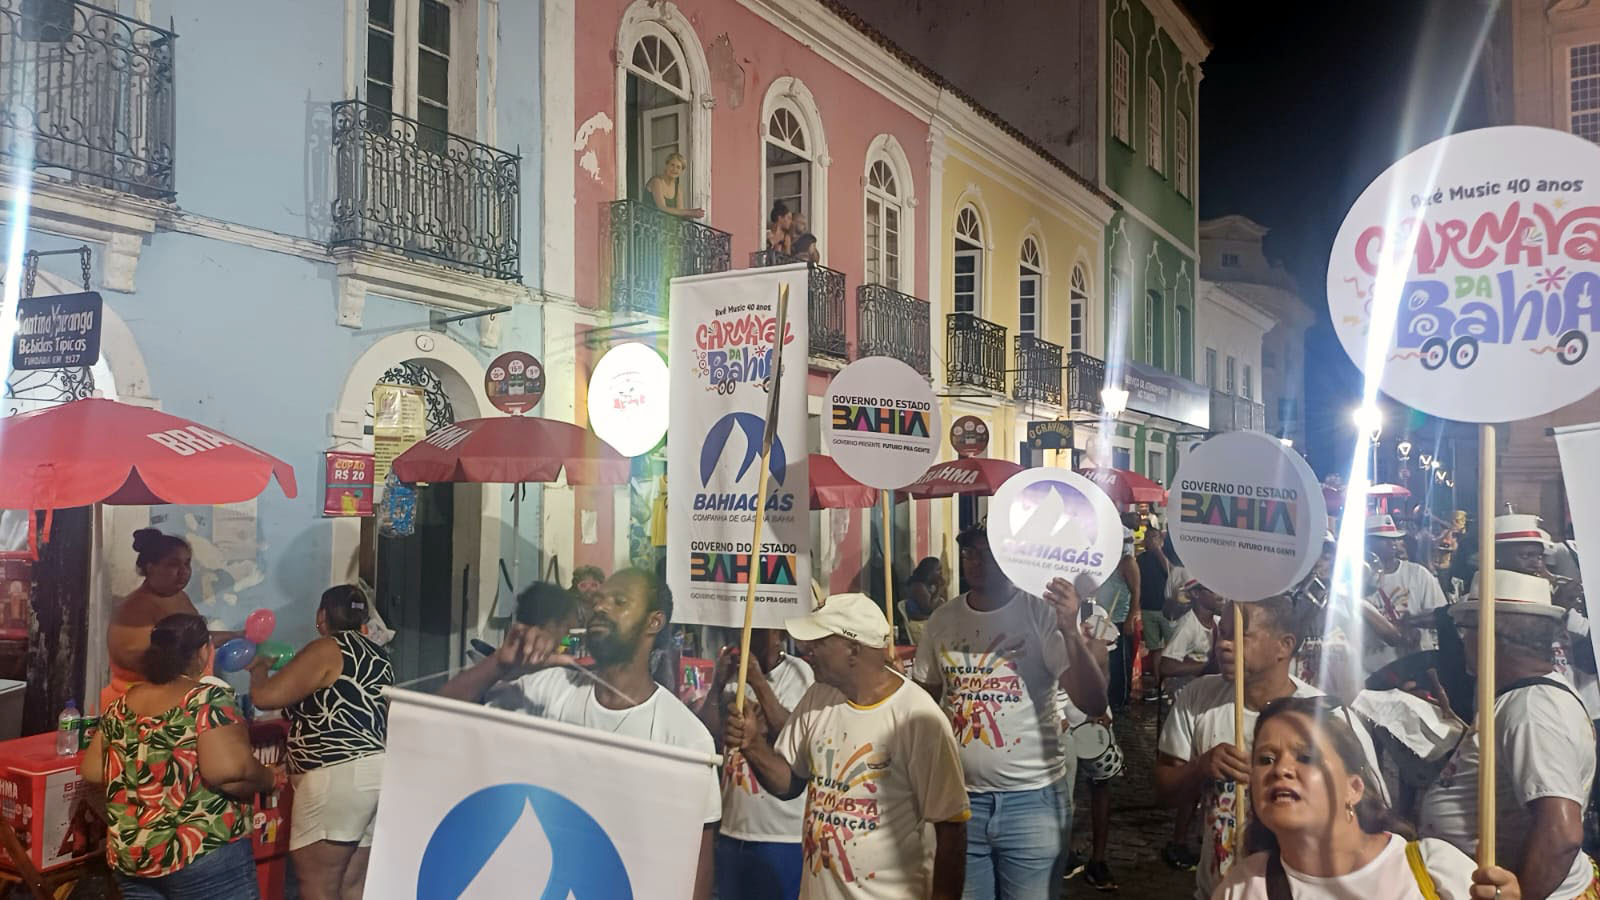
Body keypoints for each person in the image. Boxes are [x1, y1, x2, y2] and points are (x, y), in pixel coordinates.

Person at [437, 568, 720, 900]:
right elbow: (435, 718)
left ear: (653, 622)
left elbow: (697, 864)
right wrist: (500, 662)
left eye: (619, 601)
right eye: (598, 600)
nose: (600, 608)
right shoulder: (548, 690)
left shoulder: (685, 737)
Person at [725, 593, 970, 900]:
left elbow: (951, 829)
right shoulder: (819, 696)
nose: (807, 650)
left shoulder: (918, 719)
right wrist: (752, 745)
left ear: (853, 649)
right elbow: (789, 782)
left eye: (818, 642)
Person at [912, 526, 1108, 899]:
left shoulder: (1040, 614)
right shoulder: (943, 620)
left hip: (1031, 802)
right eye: (969, 552)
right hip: (959, 801)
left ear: (1010, 559)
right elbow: (925, 700)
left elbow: (1093, 701)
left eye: (987, 552)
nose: (976, 561)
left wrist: (1069, 629)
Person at [1156, 594, 1385, 900]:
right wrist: (1200, 768)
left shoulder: (1329, 718)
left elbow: (1371, 815)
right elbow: (1163, 790)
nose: (1224, 644)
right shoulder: (1197, 700)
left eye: (1240, 634)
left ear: (1284, 645)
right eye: (1222, 633)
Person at [1214, 695, 1522, 900]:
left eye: (1306, 757)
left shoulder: (1431, 871)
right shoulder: (1243, 886)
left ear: (1354, 788)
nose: (1281, 769)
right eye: (1265, 759)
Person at [1419, 570, 1600, 900]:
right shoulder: (1527, 696)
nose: (1463, 642)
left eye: (1467, 630)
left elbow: (1560, 835)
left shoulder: (1532, 709)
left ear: (1494, 635)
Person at [82, 613, 274, 899]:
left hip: (133, 855)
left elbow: (93, 771)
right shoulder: (204, 700)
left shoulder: (122, 706)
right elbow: (229, 772)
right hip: (200, 852)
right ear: (203, 651)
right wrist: (268, 777)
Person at [246, 586, 392, 900]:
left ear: (321, 616)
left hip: (335, 777)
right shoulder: (378, 654)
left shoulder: (327, 648)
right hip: (373, 773)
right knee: (352, 885)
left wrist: (258, 670)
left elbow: (265, 697)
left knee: (318, 885)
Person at [698, 630, 815, 900]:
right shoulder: (732, 677)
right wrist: (718, 684)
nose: (749, 637)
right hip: (732, 831)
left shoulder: (799, 674)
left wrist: (759, 683)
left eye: (761, 631)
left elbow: (796, 735)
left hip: (780, 836)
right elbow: (709, 736)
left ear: (779, 635)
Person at [103, 530, 233, 715]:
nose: (184, 572)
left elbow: (190, 639)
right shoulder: (134, 609)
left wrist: (237, 635)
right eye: (173, 565)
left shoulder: (179, 597)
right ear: (150, 567)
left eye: (187, 563)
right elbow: (148, 662)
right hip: (146, 711)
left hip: (185, 700)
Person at [1365, 514, 1449, 674]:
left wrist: (1414, 624)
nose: (1393, 544)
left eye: (1395, 539)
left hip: (1415, 668)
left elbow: (1441, 616)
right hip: (1372, 672)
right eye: (1384, 539)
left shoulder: (1418, 574)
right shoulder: (1354, 582)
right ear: (1367, 544)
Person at [1095, 513, 1142, 710]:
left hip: (1120, 619)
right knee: (1105, 661)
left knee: (1119, 663)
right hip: (1102, 619)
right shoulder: (1104, 560)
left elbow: (1136, 590)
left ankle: (1120, 700)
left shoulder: (1127, 562)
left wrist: (1131, 617)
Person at [1139, 527, 1176, 702]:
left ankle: (1170, 683)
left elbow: (1168, 571)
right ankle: (1157, 681)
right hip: (1147, 609)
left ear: (1160, 540)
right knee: (1155, 648)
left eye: (1154, 537)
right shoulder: (1140, 559)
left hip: (1165, 610)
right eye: (1148, 537)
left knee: (1172, 647)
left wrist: (1158, 551)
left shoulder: (1166, 557)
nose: (1150, 540)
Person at [903, 557, 946, 646]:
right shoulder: (918, 586)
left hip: (927, 623)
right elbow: (928, 609)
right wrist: (939, 588)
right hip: (919, 626)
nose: (941, 573)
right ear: (929, 571)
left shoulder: (928, 586)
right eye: (938, 570)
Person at [646, 152, 704, 218]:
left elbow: (680, 212)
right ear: (666, 165)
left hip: (668, 226)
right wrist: (690, 212)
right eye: (672, 165)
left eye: (678, 167)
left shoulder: (678, 188)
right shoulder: (656, 181)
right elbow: (662, 208)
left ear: (681, 171)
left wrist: (693, 212)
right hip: (650, 224)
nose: (674, 169)